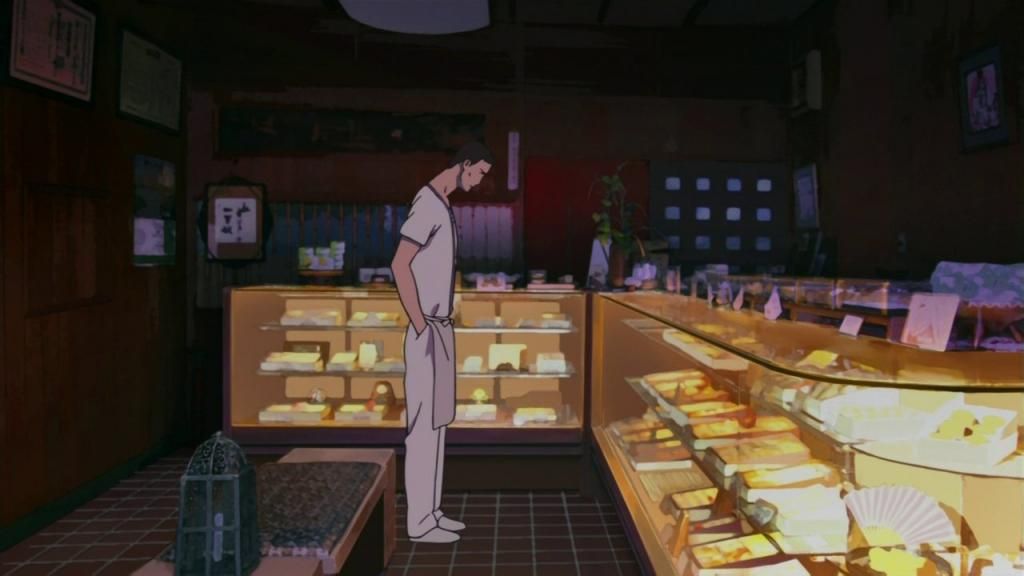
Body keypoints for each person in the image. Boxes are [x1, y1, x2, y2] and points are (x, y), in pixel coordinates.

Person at [391, 141, 493, 543]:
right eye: (479, 172)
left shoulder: (443, 205)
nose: (480, 181)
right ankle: (418, 523)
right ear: (464, 164)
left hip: (440, 328)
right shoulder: (427, 203)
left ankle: (432, 512)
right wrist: (419, 323)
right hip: (427, 331)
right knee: (421, 428)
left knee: (438, 424)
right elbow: (400, 264)